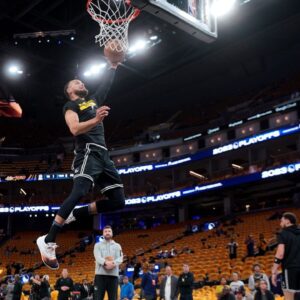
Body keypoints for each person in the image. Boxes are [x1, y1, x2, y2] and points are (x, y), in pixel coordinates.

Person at [36, 53, 125, 270]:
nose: (82, 83)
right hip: (87, 152)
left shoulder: (93, 101)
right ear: (70, 90)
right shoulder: (70, 106)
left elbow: (105, 85)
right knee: (79, 192)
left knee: (118, 201)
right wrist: (96, 120)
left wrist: (112, 66)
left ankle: (73, 215)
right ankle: (48, 240)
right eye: (77, 82)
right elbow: (74, 129)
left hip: (104, 155)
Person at [271, 212, 300, 300]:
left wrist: (274, 271)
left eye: (281, 221)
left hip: (290, 269)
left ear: (287, 221)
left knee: (289, 297)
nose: (280, 224)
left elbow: (280, 254)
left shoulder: (283, 233)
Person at [93, 225, 123, 300]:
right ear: (103, 234)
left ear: (112, 233)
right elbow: (97, 257)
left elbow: (120, 258)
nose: (107, 233)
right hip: (100, 276)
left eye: (109, 231)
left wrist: (113, 263)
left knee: (113, 298)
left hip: (113, 276)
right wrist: (105, 263)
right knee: (97, 298)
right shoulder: (97, 245)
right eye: (105, 231)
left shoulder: (117, 246)